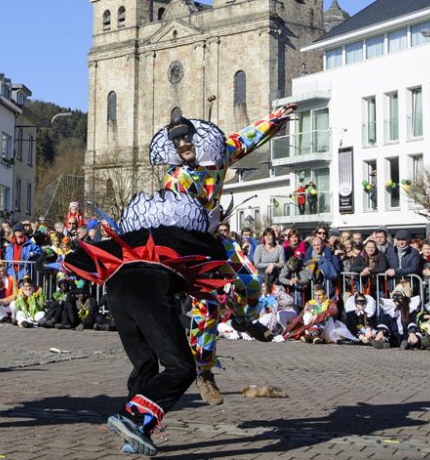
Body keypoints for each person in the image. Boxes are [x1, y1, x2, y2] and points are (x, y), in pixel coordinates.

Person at [64, 192, 231, 456]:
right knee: (182, 367)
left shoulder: (135, 235)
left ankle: (136, 433)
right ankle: (132, 417)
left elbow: (73, 259)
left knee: (145, 363)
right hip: (150, 288)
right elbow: (219, 254)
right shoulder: (192, 236)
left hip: (116, 291)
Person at [151, 105, 294, 406]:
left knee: (252, 284)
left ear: (195, 137)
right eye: (176, 142)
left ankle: (243, 319)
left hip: (218, 240)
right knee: (207, 311)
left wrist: (276, 119)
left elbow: (247, 138)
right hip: (192, 249)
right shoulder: (175, 179)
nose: (183, 145)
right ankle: (204, 374)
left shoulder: (218, 155)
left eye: (186, 138)